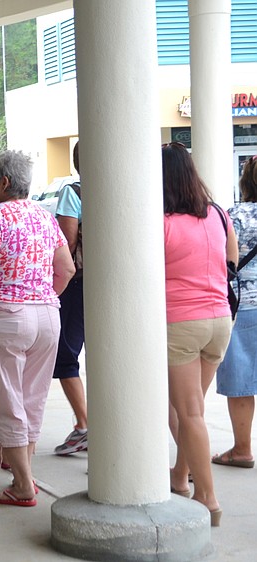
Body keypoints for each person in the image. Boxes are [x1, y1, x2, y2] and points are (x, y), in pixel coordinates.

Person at [0, 150, 74, 506]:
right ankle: (21, 475)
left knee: (5, 399)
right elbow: (67, 269)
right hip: (47, 315)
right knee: (31, 398)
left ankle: (24, 485)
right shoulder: (45, 216)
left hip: (5, 314)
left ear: (4, 182)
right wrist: (41, 295)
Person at [163, 142, 235, 527]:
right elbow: (231, 261)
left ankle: (208, 498)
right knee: (194, 411)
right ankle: (180, 476)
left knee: (187, 413)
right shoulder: (219, 215)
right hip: (219, 320)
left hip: (180, 323)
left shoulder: (161, 223)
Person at [213, 156, 257, 470]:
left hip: (245, 306)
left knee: (242, 379)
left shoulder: (236, 216)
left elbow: (222, 259)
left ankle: (242, 449)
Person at [52, 142, 90, 456]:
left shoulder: (73, 192)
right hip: (115, 286)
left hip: (78, 285)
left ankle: (84, 424)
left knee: (65, 355)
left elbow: (67, 243)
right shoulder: (120, 190)